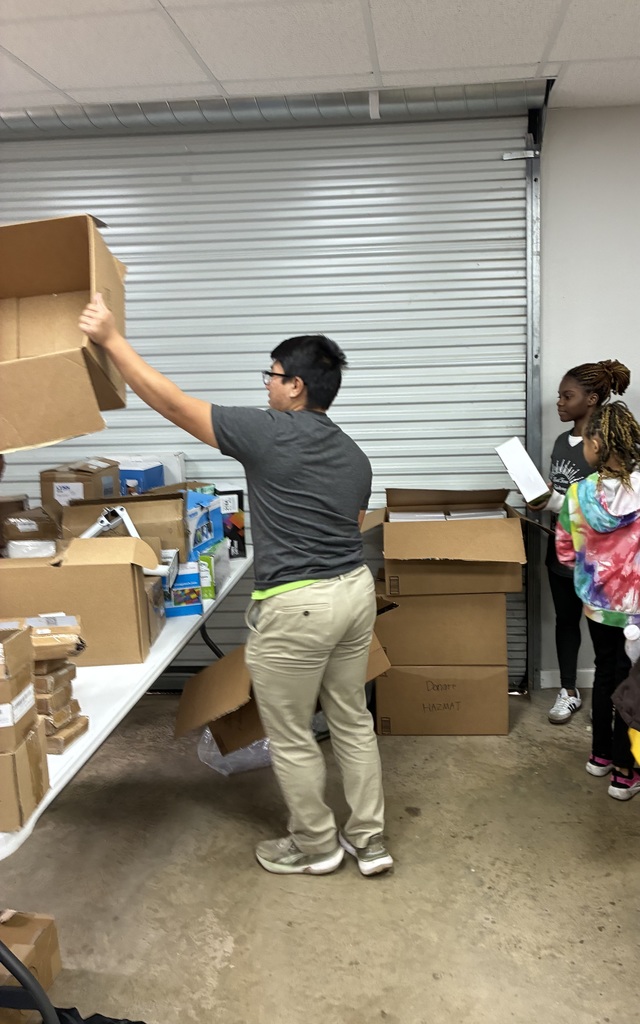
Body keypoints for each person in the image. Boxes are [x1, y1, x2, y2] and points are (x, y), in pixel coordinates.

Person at [79, 293, 392, 877]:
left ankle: (317, 846)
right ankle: (369, 841)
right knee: (352, 718)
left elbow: (172, 404)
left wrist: (111, 338)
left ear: (295, 385)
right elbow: (345, 527)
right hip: (354, 592)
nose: (267, 387)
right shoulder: (354, 454)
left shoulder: (270, 431)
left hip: (298, 605)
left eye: (271, 376)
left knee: (293, 732)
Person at [535, 360, 630, 724]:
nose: (559, 402)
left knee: (607, 630)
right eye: (559, 395)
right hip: (559, 549)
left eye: (567, 396)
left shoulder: (607, 445)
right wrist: (542, 497)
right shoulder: (562, 441)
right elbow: (562, 493)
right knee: (565, 620)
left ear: (591, 399)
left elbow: (609, 503)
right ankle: (569, 690)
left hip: (597, 558)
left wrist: (558, 502)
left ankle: (612, 698)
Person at [556, 401, 640, 800]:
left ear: (594, 444)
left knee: (608, 674)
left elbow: (565, 553)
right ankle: (626, 772)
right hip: (637, 609)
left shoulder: (576, 495)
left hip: (598, 606)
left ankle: (600, 756)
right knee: (634, 686)